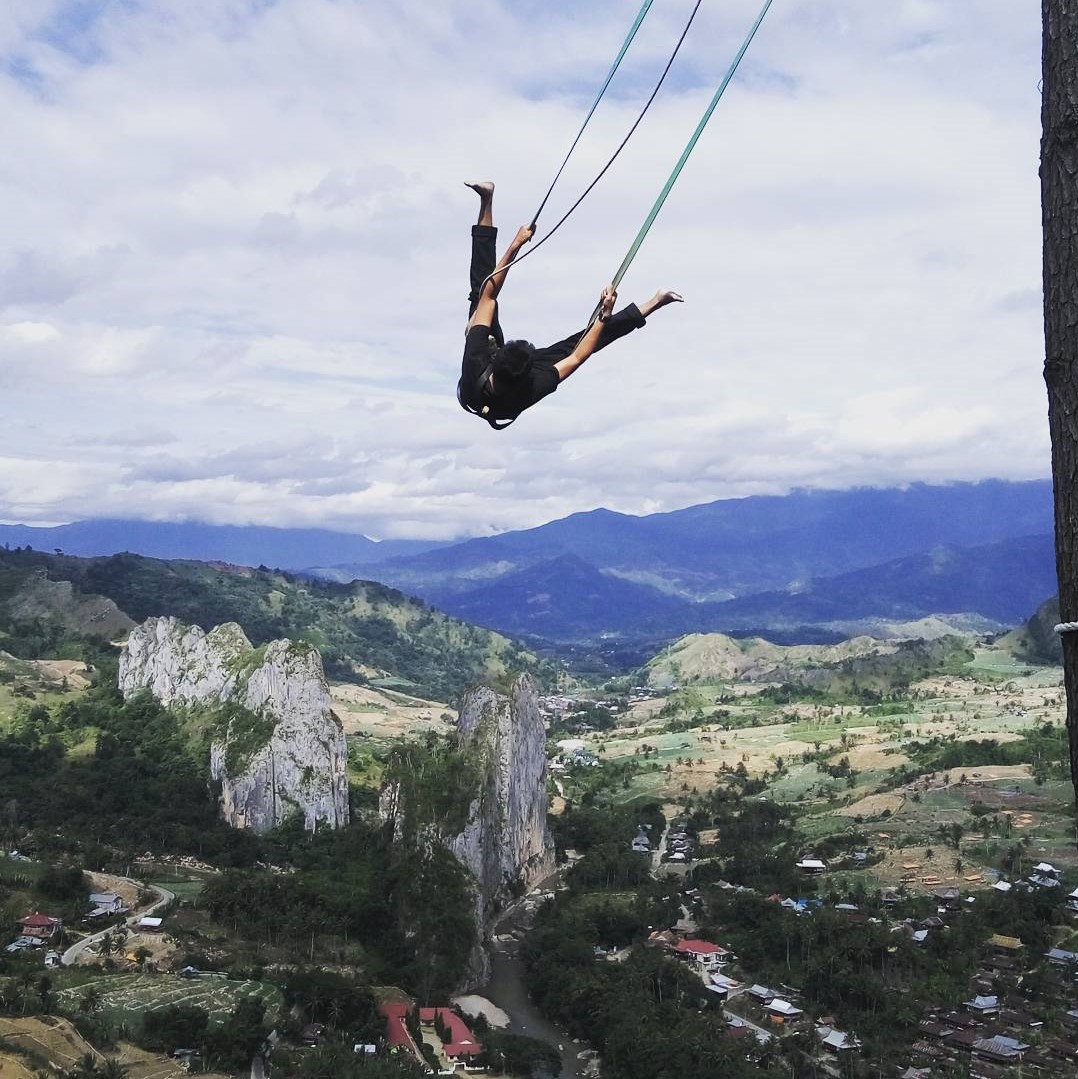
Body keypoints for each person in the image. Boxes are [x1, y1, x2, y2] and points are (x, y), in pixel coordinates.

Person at [457, 181, 683, 429]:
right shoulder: (531, 388)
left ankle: (486, 200)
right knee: (579, 342)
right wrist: (604, 316)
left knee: (480, 293)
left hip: (482, 385)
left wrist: (516, 244)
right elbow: (576, 355)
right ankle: (656, 301)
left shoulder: (476, 358)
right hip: (502, 393)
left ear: (495, 356)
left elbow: (489, 296)